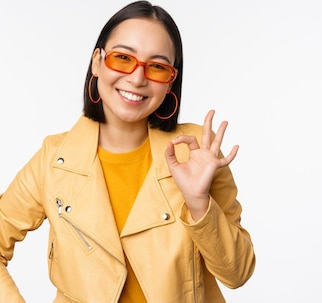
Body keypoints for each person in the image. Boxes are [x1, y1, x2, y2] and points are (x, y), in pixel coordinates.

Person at [0, 1, 255, 302]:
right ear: (97, 62)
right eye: (123, 58)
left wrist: (199, 204)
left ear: (171, 80)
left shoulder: (199, 151)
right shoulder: (54, 158)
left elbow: (237, 274)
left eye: (157, 67)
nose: (137, 78)